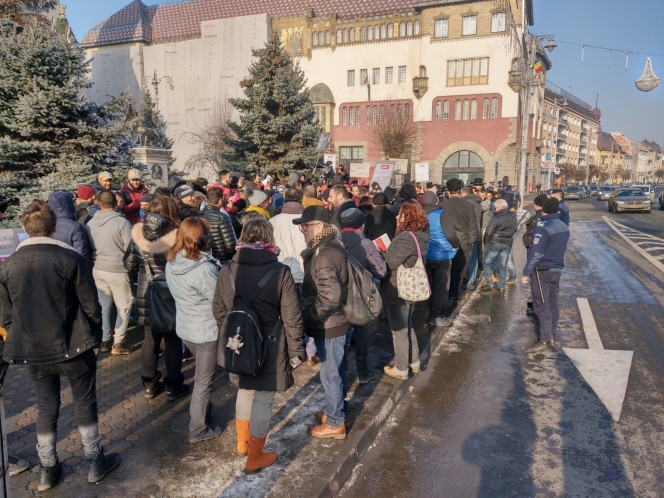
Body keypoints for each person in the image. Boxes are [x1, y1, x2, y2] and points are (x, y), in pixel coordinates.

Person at [0, 201, 120, 491]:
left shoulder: (8, 266)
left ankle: (48, 468)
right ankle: (93, 461)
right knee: (85, 403)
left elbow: (6, 316)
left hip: (36, 351)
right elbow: (92, 306)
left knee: (45, 406)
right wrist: (96, 340)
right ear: (54, 228)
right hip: (75, 346)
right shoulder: (71, 259)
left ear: (26, 229)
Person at [213, 219, 304, 473]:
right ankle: (255, 456)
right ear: (269, 239)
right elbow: (292, 315)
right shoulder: (281, 271)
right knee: (263, 400)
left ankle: (242, 443)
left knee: (244, 389)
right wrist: (297, 350)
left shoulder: (227, 268)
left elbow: (218, 309)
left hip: (238, 344)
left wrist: (234, 331)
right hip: (271, 346)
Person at [293, 206, 350, 439]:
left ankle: (336, 423)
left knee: (330, 373)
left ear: (319, 226)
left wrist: (314, 316)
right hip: (333, 321)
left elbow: (330, 295)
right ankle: (337, 411)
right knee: (335, 370)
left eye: (305, 226)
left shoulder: (324, 253)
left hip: (329, 323)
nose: (302, 231)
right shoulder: (328, 247)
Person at [123, 197, 188, 401]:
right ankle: (173, 387)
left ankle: (150, 386)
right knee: (172, 341)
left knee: (150, 340)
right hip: (171, 292)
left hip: (145, 291)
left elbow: (128, 264)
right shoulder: (177, 235)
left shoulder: (138, 234)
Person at [165, 217, 222, 443]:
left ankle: (204, 415)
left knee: (202, 378)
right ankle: (198, 429)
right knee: (203, 381)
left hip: (186, 328)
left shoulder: (172, 261)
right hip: (205, 331)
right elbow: (217, 300)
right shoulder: (204, 269)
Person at [381, 201, 429, 380]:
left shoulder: (405, 238)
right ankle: (414, 362)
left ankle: (401, 369)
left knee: (399, 330)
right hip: (411, 288)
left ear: (406, 218)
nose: (396, 216)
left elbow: (390, 263)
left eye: (399, 214)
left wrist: (381, 254)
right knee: (408, 326)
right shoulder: (418, 236)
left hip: (398, 290)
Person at [269, 189, 318, 365]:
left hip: (280, 274)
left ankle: (290, 350)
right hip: (304, 273)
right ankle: (311, 351)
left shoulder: (273, 221)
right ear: (301, 200)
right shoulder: (308, 222)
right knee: (307, 312)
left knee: (286, 315)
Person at [340, 208, 387, 384]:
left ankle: (341, 374)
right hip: (362, 297)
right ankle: (364, 373)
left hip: (341, 296)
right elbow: (381, 272)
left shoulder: (336, 240)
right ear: (362, 224)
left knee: (341, 337)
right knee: (363, 336)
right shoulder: (366, 243)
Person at [85, 191, 133, 354]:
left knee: (104, 307)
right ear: (116, 203)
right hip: (118, 269)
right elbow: (130, 248)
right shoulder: (122, 222)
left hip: (98, 268)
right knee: (124, 306)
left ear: (98, 203)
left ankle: (105, 340)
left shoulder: (90, 224)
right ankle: (119, 343)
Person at [522, 198, 570, 352]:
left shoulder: (543, 227)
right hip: (556, 270)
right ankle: (551, 335)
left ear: (544, 209)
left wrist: (526, 272)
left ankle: (544, 339)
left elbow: (536, 253)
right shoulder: (563, 226)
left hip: (541, 270)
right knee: (552, 303)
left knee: (541, 306)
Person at [422, 191, 459, 328]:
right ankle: (434, 316)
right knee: (441, 286)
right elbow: (450, 234)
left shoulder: (418, 214)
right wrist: (455, 245)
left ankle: (431, 310)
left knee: (429, 286)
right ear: (436, 201)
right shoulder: (441, 214)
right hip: (441, 254)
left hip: (425, 254)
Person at [441, 179, 479, 301]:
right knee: (459, 270)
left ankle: (442, 294)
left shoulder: (442, 205)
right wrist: (471, 241)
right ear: (460, 191)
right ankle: (453, 294)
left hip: (445, 241)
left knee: (444, 269)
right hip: (464, 241)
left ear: (448, 191)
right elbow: (473, 226)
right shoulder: (468, 206)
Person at [480, 199, 518, 295]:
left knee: (487, 262)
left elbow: (489, 231)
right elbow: (515, 229)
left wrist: (486, 242)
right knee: (502, 265)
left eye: (495, 207)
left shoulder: (496, 217)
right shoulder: (513, 217)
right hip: (507, 243)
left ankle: (489, 284)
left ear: (498, 207)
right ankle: (501, 287)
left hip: (495, 243)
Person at [47, 191, 91, 266]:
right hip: (71, 269)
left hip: (52, 269)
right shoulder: (75, 226)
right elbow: (82, 255)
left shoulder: (46, 225)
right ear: (69, 204)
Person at [522, 194, 548, 315]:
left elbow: (535, 236)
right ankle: (537, 303)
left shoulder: (540, 218)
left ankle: (538, 306)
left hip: (535, 252)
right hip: (534, 251)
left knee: (536, 281)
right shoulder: (540, 216)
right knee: (537, 282)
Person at [196, 187, 237, 262]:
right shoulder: (222, 217)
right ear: (220, 201)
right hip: (221, 259)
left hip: (203, 258)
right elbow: (230, 244)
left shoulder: (197, 215)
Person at [461, 186, 483, 290]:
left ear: (463, 193)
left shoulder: (467, 202)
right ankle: (473, 277)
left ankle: (471, 279)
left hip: (470, 233)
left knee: (469, 258)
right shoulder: (477, 202)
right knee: (474, 256)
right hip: (477, 232)